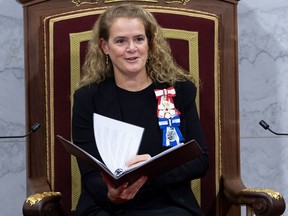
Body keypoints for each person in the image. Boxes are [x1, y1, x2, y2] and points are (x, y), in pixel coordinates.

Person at [72, 3, 209, 216]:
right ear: (105, 46)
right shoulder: (87, 99)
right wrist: (111, 194)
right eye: (120, 41)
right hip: (108, 206)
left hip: (167, 203)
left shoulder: (179, 90)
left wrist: (152, 169)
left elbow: (200, 160)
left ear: (149, 43)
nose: (132, 48)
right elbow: (89, 173)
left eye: (139, 39)